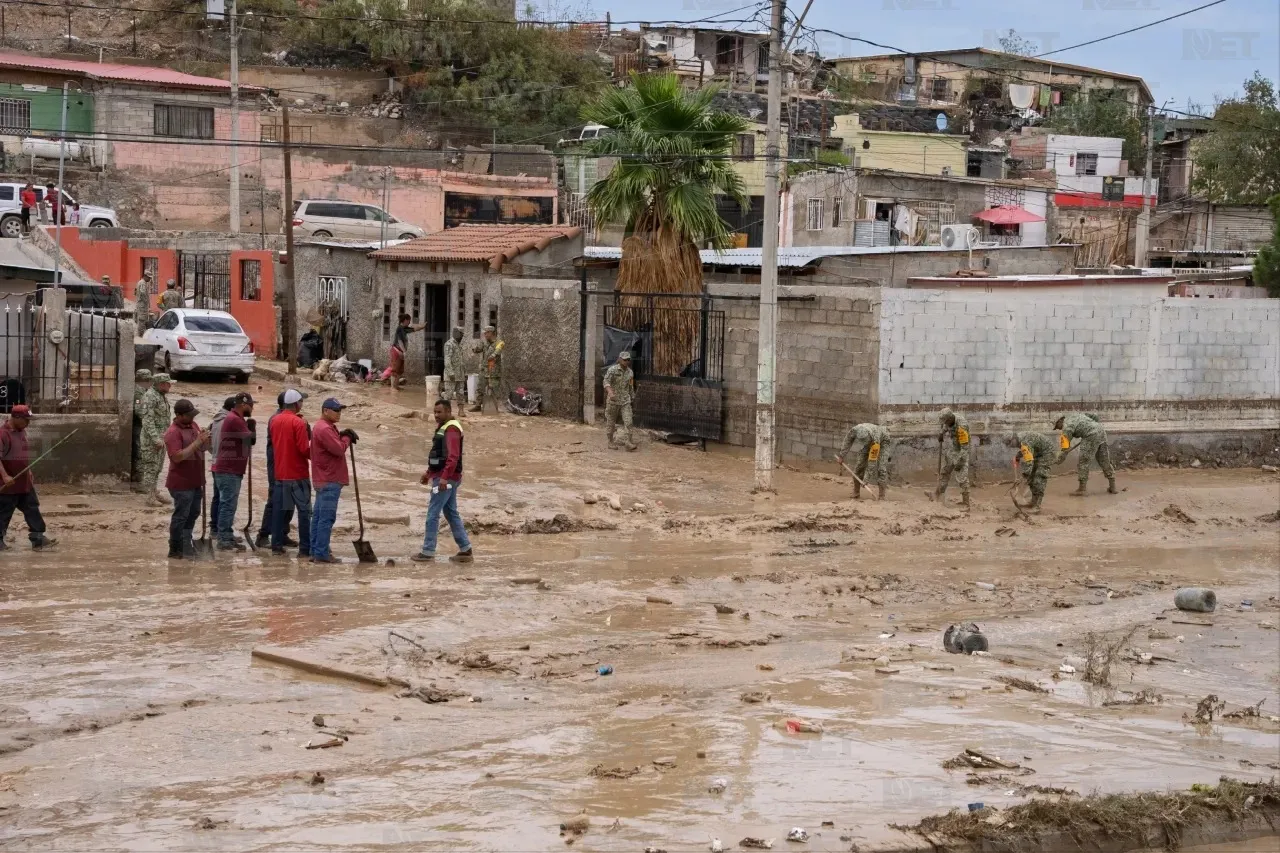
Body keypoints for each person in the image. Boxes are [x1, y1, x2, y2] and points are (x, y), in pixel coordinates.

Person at [412, 398, 473, 563]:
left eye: (440, 412)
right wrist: (428, 473)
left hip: (446, 480)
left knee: (433, 513)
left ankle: (428, 551)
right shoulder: (444, 428)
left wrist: (444, 478)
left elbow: (452, 457)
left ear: (448, 412)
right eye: (435, 412)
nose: (436, 415)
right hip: (444, 477)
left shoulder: (451, 429)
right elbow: (439, 454)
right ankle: (466, 549)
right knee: (450, 512)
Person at [0, 405, 56, 550]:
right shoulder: (2, 434)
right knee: (4, 512)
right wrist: (5, 476)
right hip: (9, 484)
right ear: (16, 418)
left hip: (24, 482)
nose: (28, 423)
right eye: (26, 420)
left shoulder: (22, 432)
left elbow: (23, 455)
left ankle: (38, 539)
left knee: (32, 508)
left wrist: (29, 470)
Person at [310, 398, 358, 564]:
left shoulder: (324, 427)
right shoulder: (324, 429)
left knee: (318, 517)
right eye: (336, 410)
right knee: (326, 518)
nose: (339, 413)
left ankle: (315, 550)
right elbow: (338, 449)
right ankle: (321, 553)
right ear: (325, 411)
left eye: (340, 410)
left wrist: (342, 435)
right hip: (329, 479)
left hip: (323, 478)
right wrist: (346, 439)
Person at [164, 400, 211, 558]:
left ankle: (186, 540)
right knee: (181, 515)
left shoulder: (194, 426)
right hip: (181, 482)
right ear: (178, 415)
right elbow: (177, 457)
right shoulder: (173, 433)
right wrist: (198, 442)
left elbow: (203, 449)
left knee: (194, 512)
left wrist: (205, 440)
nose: (192, 418)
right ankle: (175, 547)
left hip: (196, 479)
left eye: (193, 415)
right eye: (188, 416)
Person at [255, 391, 301, 548]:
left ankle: (282, 533)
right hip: (277, 464)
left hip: (286, 464)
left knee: (289, 500)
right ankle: (263, 534)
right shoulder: (277, 419)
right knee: (275, 499)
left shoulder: (287, 419)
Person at [269, 388, 312, 557]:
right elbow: (304, 449)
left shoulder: (274, 421)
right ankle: (305, 548)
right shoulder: (299, 423)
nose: (302, 404)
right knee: (304, 512)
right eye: (301, 401)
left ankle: (276, 546)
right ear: (296, 404)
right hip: (298, 475)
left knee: (280, 512)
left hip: (280, 474)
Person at [212, 392, 255, 551]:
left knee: (229, 504)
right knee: (227, 505)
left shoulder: (235, 418)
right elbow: (250, 440)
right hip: (228, 470)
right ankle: (223, 539)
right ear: (244, 405)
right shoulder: (235, 419)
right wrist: (252, 428)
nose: (253, 408)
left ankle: (227, 535)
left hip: (231, 469)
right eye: (251, 405)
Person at [1055, 412, 1117, 496]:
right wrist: (1094, 427)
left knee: (1083, 462)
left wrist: (1060, 457)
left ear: (1060, 421)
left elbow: (1065, 448)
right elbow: (1094, 416)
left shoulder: (1066, 428)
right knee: (1104, 459)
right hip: (1101, 431)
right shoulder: (1075, 415)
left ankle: (1082, 489)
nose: (1057, 429)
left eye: (1056, 427)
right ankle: (1113, 487)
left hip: (1090, 435)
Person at [137, 373, 175, 506]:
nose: (170, 386)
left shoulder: (161, 396)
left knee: (157, 468)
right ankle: (149, 497)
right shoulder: (150, 397)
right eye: (168, 384)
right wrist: (155, 439)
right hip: (151, 441)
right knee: (150, 468)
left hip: (161, 439)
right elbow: (147, 420)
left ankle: (154, 492)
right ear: (161, 384)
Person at [837, 422, 890, 500]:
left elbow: (872, 461)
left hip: (883, 442)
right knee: (858, 467)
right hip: (870, 442)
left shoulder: (875, 439)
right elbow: (848, 440)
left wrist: (866, 479)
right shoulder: (855, 430)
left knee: (881, 469)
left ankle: (882, 496)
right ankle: (856, 492)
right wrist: (841, 455)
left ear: (868, 436)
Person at [932, 407, 971, 509]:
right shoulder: (950, 420)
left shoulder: (962, 427)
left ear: (949, 419)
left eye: (945, 422)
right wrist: (942, 433)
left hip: (962, 451)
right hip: (954, 449)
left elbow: (965, 448)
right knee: (944, 471)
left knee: (962, 478)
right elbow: (945, 426)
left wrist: (960, 462)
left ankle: (966, 504)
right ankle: (938, 494)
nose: (945, 424)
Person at [1010, 431, 1057, 513]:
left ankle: (1037, 506)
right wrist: (1018, 456)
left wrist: (1023, 476)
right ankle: (1033, 502)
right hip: (1038, 454)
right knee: (1031, 477)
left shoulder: (1025, 442)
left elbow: (1029, 462)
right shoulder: (1020, 439)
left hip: (1047, 454)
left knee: (1039, 477)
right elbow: (1028, 450)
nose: (1010, 446)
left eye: (1009, 443)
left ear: (1013, 439)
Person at [207, 396, 235, 525]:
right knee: (226, 500)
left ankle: (214, 527)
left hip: (215, 463)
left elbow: (209, 445)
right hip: (225, 466)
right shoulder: (228, 422)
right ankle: (223, 532)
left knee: (218, 497)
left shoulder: (215, 421)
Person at [603, 351, 637, 451]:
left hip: (625, 401)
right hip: (613, 401)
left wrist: (632, 398)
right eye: (625, 359)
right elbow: (606, 382)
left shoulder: (630, 372)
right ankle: (610, 441)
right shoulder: (612, 370)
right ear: (619, 359)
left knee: (629, 421)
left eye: (628, 360)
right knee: (611, 422)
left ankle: (628, 442)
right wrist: (610, 392)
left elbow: (630, 386)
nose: (627, 361)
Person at [384, 313, 426, 390]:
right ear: (405, 320)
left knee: (400, 370)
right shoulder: (399, 328)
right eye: (409, 321)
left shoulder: (404, 329)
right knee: (395, 369)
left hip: (401, 351)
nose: (409, 322)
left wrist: (422, 326)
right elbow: (399, 341)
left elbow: (414, 329)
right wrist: (403, 351)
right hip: (397, 350)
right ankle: (393, 388)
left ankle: (396, 386)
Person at [470, 325, 504, 413]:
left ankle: (494, 406)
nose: (485, 335)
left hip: (494, 371)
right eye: (484, 333)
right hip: (484, 370)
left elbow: (497, 351)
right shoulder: (485, 343)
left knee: (494, 389)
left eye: (487, 333)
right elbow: (478, 350)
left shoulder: (499, 343)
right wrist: (475, 348)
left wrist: (493, 355)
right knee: (480, 388)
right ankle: (478, 405)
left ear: (491, 333)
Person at [130, 368, 152, 486]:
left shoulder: (142, 389)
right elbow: (139, 410)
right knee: (140, 451)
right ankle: (139, 479)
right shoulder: (138, 392)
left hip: (139, 425)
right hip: (139, 426)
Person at [442, 326, 467, 416]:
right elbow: (447, 360)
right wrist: (451, 373)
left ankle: (461, 411)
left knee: (460, 393)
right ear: (456, 333)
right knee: (448, 394)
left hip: (460, 374)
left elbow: (461, 361)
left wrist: (465, 373)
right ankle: (445, 412)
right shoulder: (449, 344)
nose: (462, 336)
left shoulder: (459, 345)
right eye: (461, 334)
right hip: (451, 375)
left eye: (462, 334)